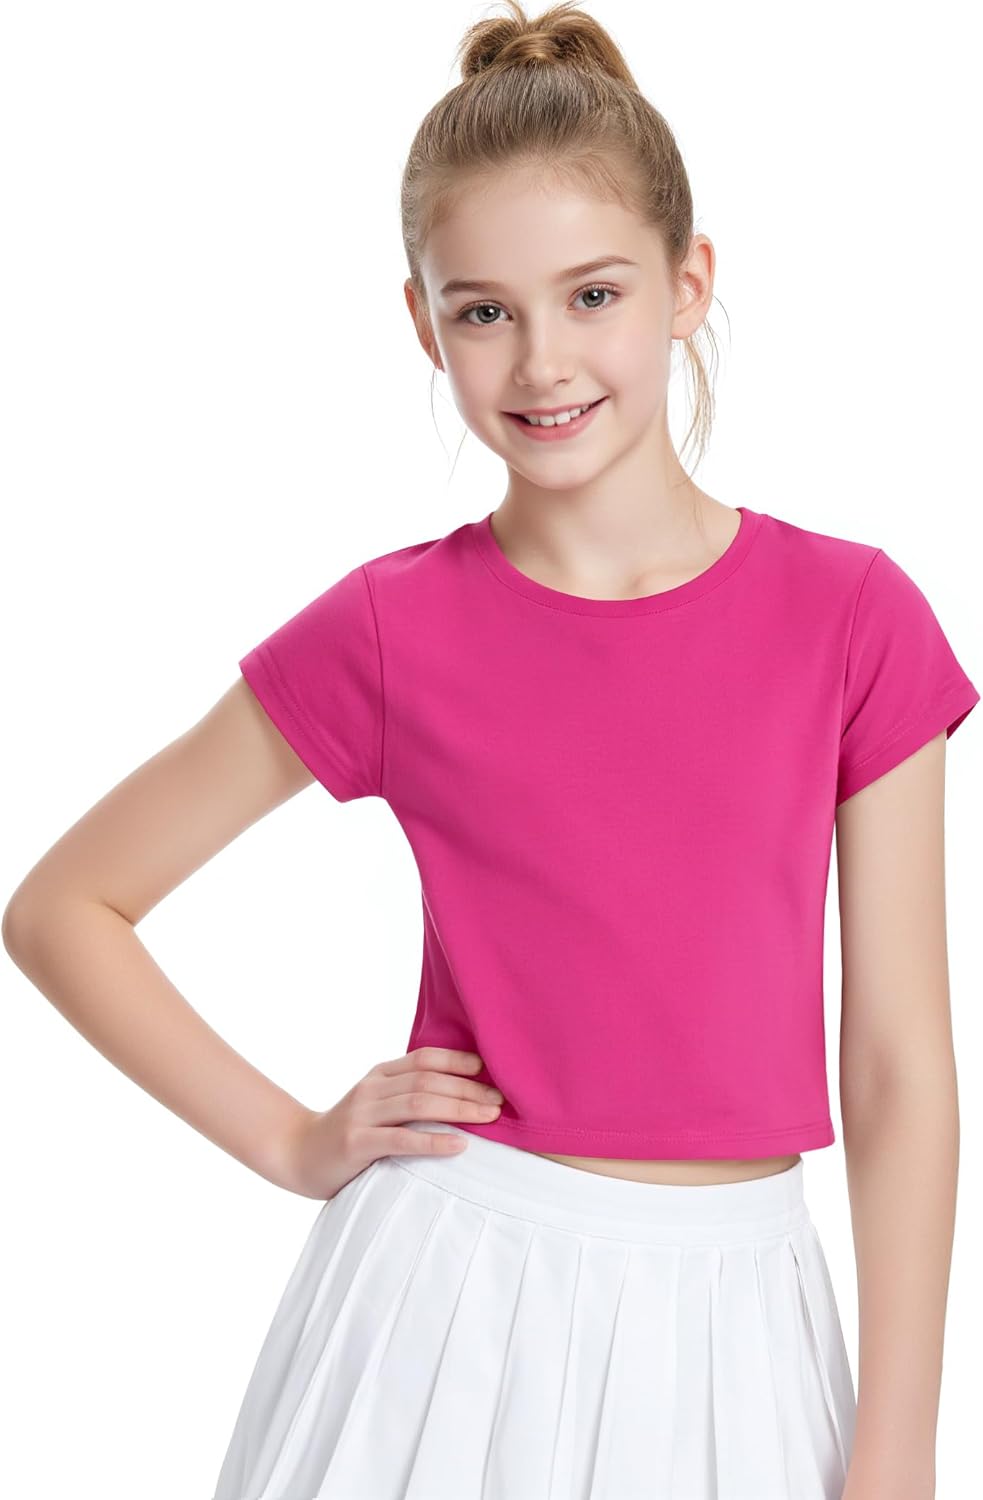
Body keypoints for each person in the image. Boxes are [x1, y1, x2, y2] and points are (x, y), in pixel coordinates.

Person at [3, 3, 977, 1497]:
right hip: (447, 1310)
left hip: (741, 1325)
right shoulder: (393, 630)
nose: (542, 360)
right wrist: (294, 1141)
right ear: (423, 323)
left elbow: (900, 1064)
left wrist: (899, 1444)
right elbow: (66, 906)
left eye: (593, 295)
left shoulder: (852, 616)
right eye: (483, 312)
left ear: (688, 285)